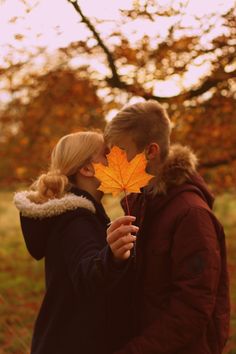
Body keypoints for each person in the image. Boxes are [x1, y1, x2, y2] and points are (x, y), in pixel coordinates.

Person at [105, 100, 230, 354]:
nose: (112, 162)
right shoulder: (142, 203)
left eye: (120, 151)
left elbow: (193, 307)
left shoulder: (190, 214)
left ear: (150, 151)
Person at [14, 131, 138, 354]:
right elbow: (87, 275)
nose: (117, 159)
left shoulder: (78, 216)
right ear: (87, 169)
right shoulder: (76, 221)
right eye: (107, 154)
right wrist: (113, 256)